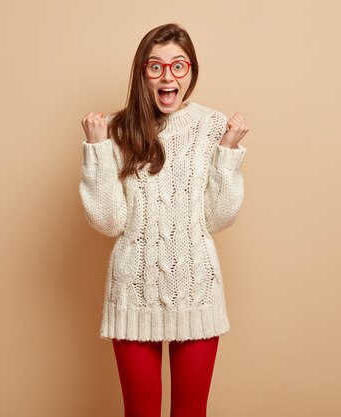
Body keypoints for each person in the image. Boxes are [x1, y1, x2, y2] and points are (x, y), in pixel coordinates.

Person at [79, 23, 248, 417]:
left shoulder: (211, 127)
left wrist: (227, 152)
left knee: (191, 413)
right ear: (142, 73)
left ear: (191, 72)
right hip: (134, 294)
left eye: (178, 65)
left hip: (197, 291)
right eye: (155, 67)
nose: (167, 76)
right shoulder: (116, 129)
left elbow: (217, 218)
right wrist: (98, 148)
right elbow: (108, 221)